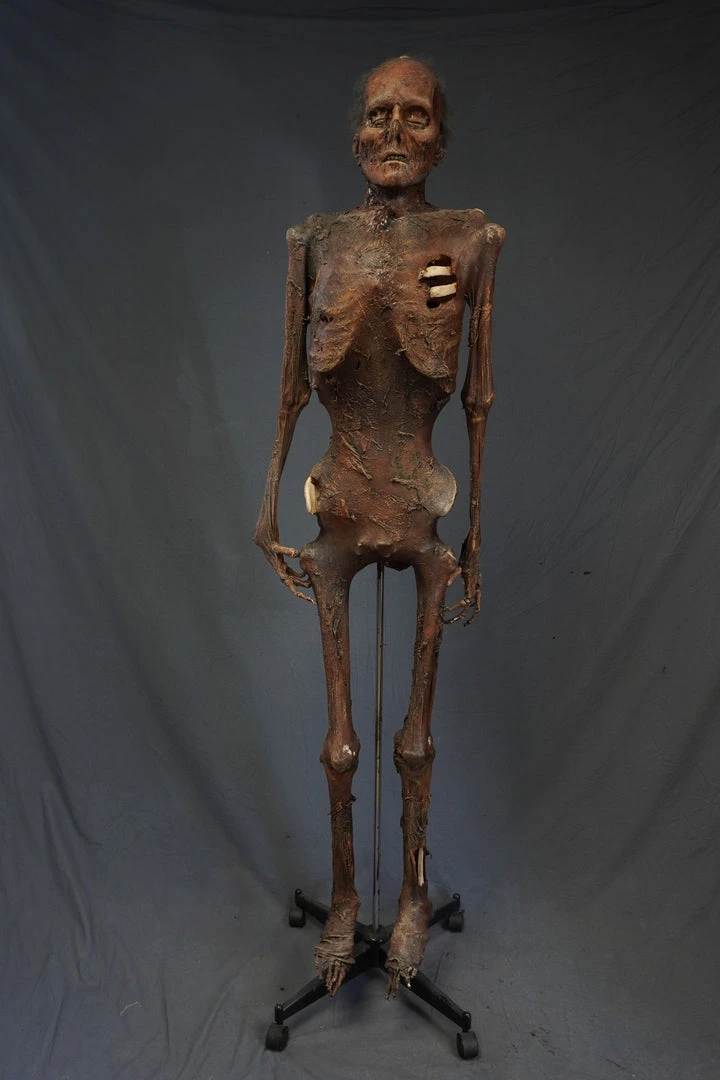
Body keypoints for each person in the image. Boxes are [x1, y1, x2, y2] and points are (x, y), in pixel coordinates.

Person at [254, 56, 505, 997]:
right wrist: (266, 506)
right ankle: (348, 898)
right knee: (339, 742)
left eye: (416, 117)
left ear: (442, 137)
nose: (394, 133)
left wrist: (476, 536)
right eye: (378, 115)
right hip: (339, 507)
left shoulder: (469, 240)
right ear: (355, 132)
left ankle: (412, 897)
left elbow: (479, 396)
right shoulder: (314, 241)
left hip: (423, 507)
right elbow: (289, 388)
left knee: (414, 738)